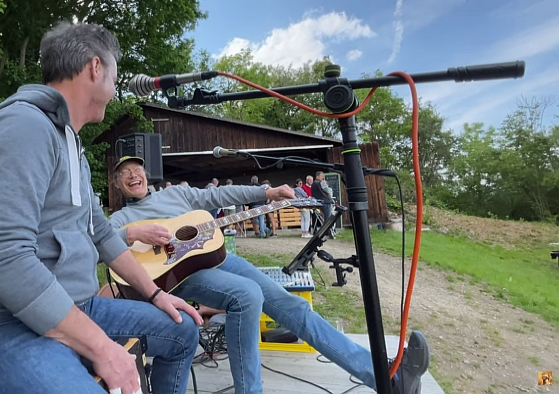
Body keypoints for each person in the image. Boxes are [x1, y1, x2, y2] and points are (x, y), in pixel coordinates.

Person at [0, 22, 203, 394]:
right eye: (114, 75)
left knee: (182, 329)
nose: (113, 90)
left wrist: (157, 295)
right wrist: (102, 349)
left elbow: (102, 234)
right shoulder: (24, 126)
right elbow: (3, 257)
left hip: (76, 308)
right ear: (96, 68)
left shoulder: (71, 143)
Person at [108, 157, 431, 394]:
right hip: (176, 277)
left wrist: (267, 192)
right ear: (119, 184)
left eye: (136, 169)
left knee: (292, 306)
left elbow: (220, 196)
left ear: (146, 174)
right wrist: (133, 231)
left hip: (214, 258)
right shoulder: (121, 216)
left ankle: (387, 377)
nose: (131, 175)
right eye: (124, 174)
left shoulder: (174, 195)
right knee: (247, 296)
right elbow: (100, 238)